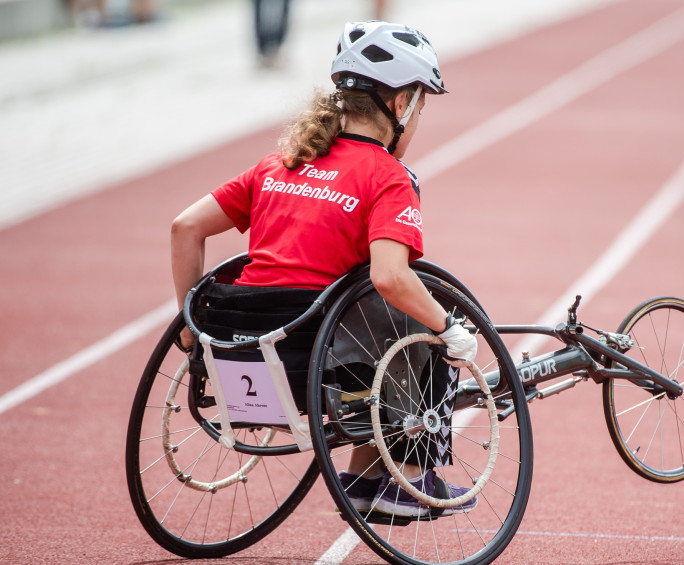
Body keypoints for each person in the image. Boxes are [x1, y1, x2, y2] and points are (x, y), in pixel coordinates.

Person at [170, 21, 477, 517]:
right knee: (423, 316)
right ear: (401, 105)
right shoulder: (389, 177)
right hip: (319, 368)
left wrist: (190, 329)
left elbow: (185, 227)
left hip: (239, 357)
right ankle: (411, 478)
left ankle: (362, 479)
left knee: (376, 311)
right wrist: (452, 329)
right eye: (420, 104)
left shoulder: (279, 164)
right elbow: (390, 277)